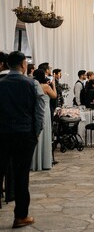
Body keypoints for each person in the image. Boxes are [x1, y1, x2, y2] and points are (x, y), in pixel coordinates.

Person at [0, 51, 45, 228]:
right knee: (21, 175)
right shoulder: (32, 84)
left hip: (2, 133)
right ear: (23, 64)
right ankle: (20, 216)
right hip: (24, 134)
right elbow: (39, 110)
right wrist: (36, 132)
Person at [30, 69, 57, 171]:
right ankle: (44, 161)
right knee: (45, 133)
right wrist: (53, 85)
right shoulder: (46, 86)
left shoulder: (32, 85)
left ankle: (34, 161)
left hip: (35, 111)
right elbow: (54, 96)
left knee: (37, 134)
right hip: (45, 111)